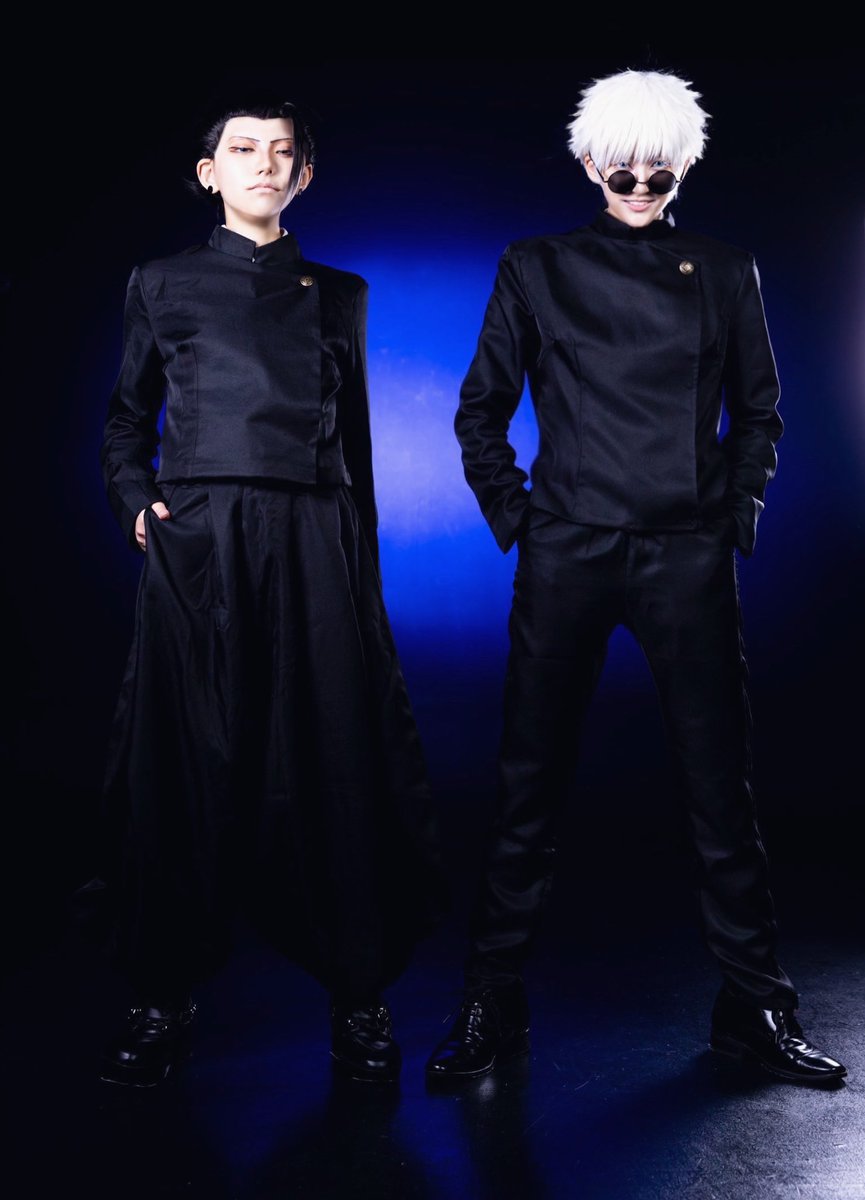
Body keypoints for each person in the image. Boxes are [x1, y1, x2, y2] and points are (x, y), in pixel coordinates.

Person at [426, 69, 846, 1087]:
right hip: (567, 550)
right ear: (588, 164)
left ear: (685, 165)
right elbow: (480, 410)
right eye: (623, 166)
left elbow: (760, 412)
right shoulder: (535, 265)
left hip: (682, 555)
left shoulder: (725, 268)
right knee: (527, 784)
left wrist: (727, 520)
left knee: (718, 788)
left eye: (662, 166)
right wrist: (524, 521)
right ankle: (492, 997)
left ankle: (754, 1006)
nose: (642, 182)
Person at [97, 97, 445, 1087]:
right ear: (209, 172)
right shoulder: (160, 282)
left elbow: (356, 445)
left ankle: (357, 993)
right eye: (242, 149)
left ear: (304, 177)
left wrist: (358, 571)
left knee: (332, 750)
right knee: (182, 759)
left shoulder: (341, 294)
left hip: (312, 536)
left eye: (281, 152)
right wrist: (136, 500)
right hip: (200, 538)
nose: (263, 163)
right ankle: (162, 993)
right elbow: (126, 420)